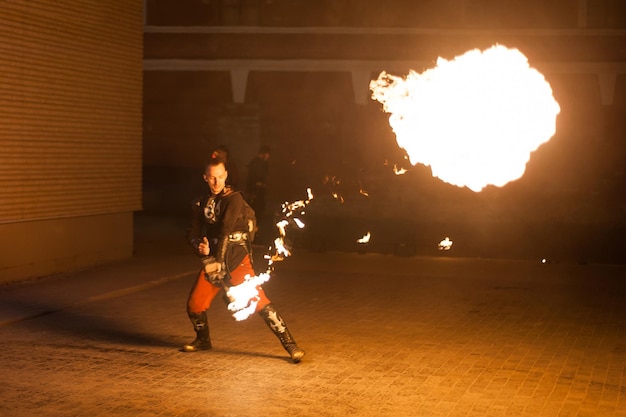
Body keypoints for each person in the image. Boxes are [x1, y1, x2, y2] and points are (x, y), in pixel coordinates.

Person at [183, 156, 305, 363]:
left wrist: (219, 262)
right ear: (205, 178)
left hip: (236, 260)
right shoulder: (199, 202)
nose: (216, 182)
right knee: (194, 305)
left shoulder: (234, 198)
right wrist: (200, 247)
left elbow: (225, 230)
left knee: (259, 302)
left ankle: (291, 345)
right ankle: (203, 340)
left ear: (226, 176)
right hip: (213, 262)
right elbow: (192, 232)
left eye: (220, 177)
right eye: (212, 178)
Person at [245, 145, 271, 217]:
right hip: (256, 191)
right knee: (257, 209)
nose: (268, 157)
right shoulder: (258, 164)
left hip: (257, 191)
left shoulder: (258, 163)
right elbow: (252, 178)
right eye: (267, 154)